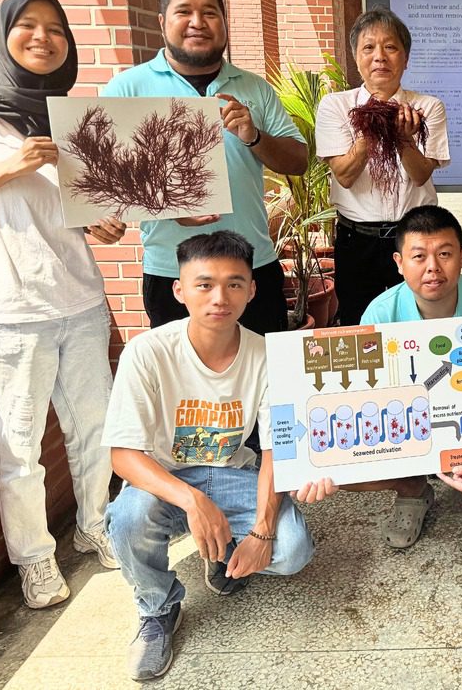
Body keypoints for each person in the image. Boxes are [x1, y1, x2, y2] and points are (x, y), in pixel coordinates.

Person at [0, 0, 124, 609]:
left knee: (96, 429)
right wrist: (10, 165)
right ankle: (34, 558)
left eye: (55, 29)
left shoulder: (64, 113)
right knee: (19, 444)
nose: (42, 38)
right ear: (2, 32)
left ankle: (95, 525)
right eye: (28, 27)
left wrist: (99, 224)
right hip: (6, 311)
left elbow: (66, 204)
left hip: (79, 299)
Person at [103, 231, 314, 681]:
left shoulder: (267, 354)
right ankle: (158, 608)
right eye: (204, 284)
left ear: (252, 289)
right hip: (165, 478)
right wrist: (193, 503)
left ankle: (222, 552)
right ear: (179, 290)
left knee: (292, 548)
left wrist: (260, 531)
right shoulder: (147, 352)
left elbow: (278, 448)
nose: (220, 297)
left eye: (234, 284)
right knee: (127, 518)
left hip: (232, 474)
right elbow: (123, 455)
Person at [294, 205, 462, 549]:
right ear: (399, 263)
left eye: (445, 254)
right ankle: (412, 488)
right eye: (419, 256)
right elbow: (362, 396)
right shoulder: (380, 313)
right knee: (341, 459)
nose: (433, 267)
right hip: (413, 426)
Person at [102, 0, 308, 335]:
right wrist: (164, 205)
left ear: (224, 21)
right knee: (182, 385)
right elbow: (104, 180)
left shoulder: (254, 88)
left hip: (251, 267)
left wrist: (254, 136)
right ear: (163, 21)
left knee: (263, 381)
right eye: (184, 12)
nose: (198, 22)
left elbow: (298, 161)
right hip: (174, 273)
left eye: (210, 12)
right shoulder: (127, 88)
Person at [315, 8, 450, 325]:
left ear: (406, 57)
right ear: (356, 57)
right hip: (357, 240)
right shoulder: (336, 106)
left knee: (421, 320)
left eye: (390, 47)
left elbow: (421, 175)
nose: (380, 57)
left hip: (415, 236)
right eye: (369, 48)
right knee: (360, 326)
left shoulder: (427, 107)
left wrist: (403, 139)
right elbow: (345, 176)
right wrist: (369, 128)